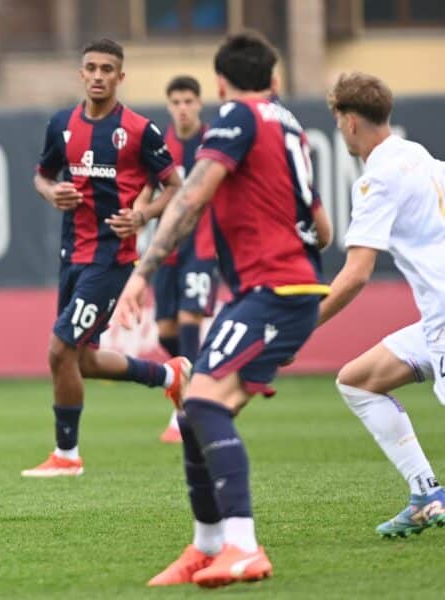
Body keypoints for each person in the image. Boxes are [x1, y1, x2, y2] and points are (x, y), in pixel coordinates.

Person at [113, 32, 331, 587]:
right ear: (275, 80)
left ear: (219, 85)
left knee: (203, 405)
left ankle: (243, 546)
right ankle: (208, 545)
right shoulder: (291, 126)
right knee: (194, 410)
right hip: (282, 289)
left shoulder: (237, 116)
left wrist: (141, 273)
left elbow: (192, 195)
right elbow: (323, 229)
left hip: (273, 291)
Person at [22, 38, 190, 478]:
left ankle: (67, 455)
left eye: (107, 69)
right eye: (92, 68)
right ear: (82, 74)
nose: (98, 76)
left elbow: (176, 188)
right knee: (83, 360)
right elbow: (41, 176)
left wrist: (142, 215)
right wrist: (51, 192)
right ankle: (170, 377)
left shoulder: (138, 130)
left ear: (120, 76)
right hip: (71, 257)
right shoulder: (61, 124)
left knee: (60, 350)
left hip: (111, 260)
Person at [318, 72, 445, 538]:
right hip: (434, 322)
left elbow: (355, 274)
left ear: (350, 122)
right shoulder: (420, 156)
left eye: (338, 121)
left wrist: (301, 328)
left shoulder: (377, 180)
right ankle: (426, 494)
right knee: (357, 381)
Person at [153, 75, 217, 444]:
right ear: (168, 106)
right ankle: (202, 378)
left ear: (199, 104)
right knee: (166, 331)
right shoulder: (161, 146)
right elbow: (147, 187)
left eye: (188, 101)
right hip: (167, 247)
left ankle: (188, 407)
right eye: (176, 102)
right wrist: (138, 215)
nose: (182, 108)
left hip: (203, 244)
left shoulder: (213, 142)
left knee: (189, 317)